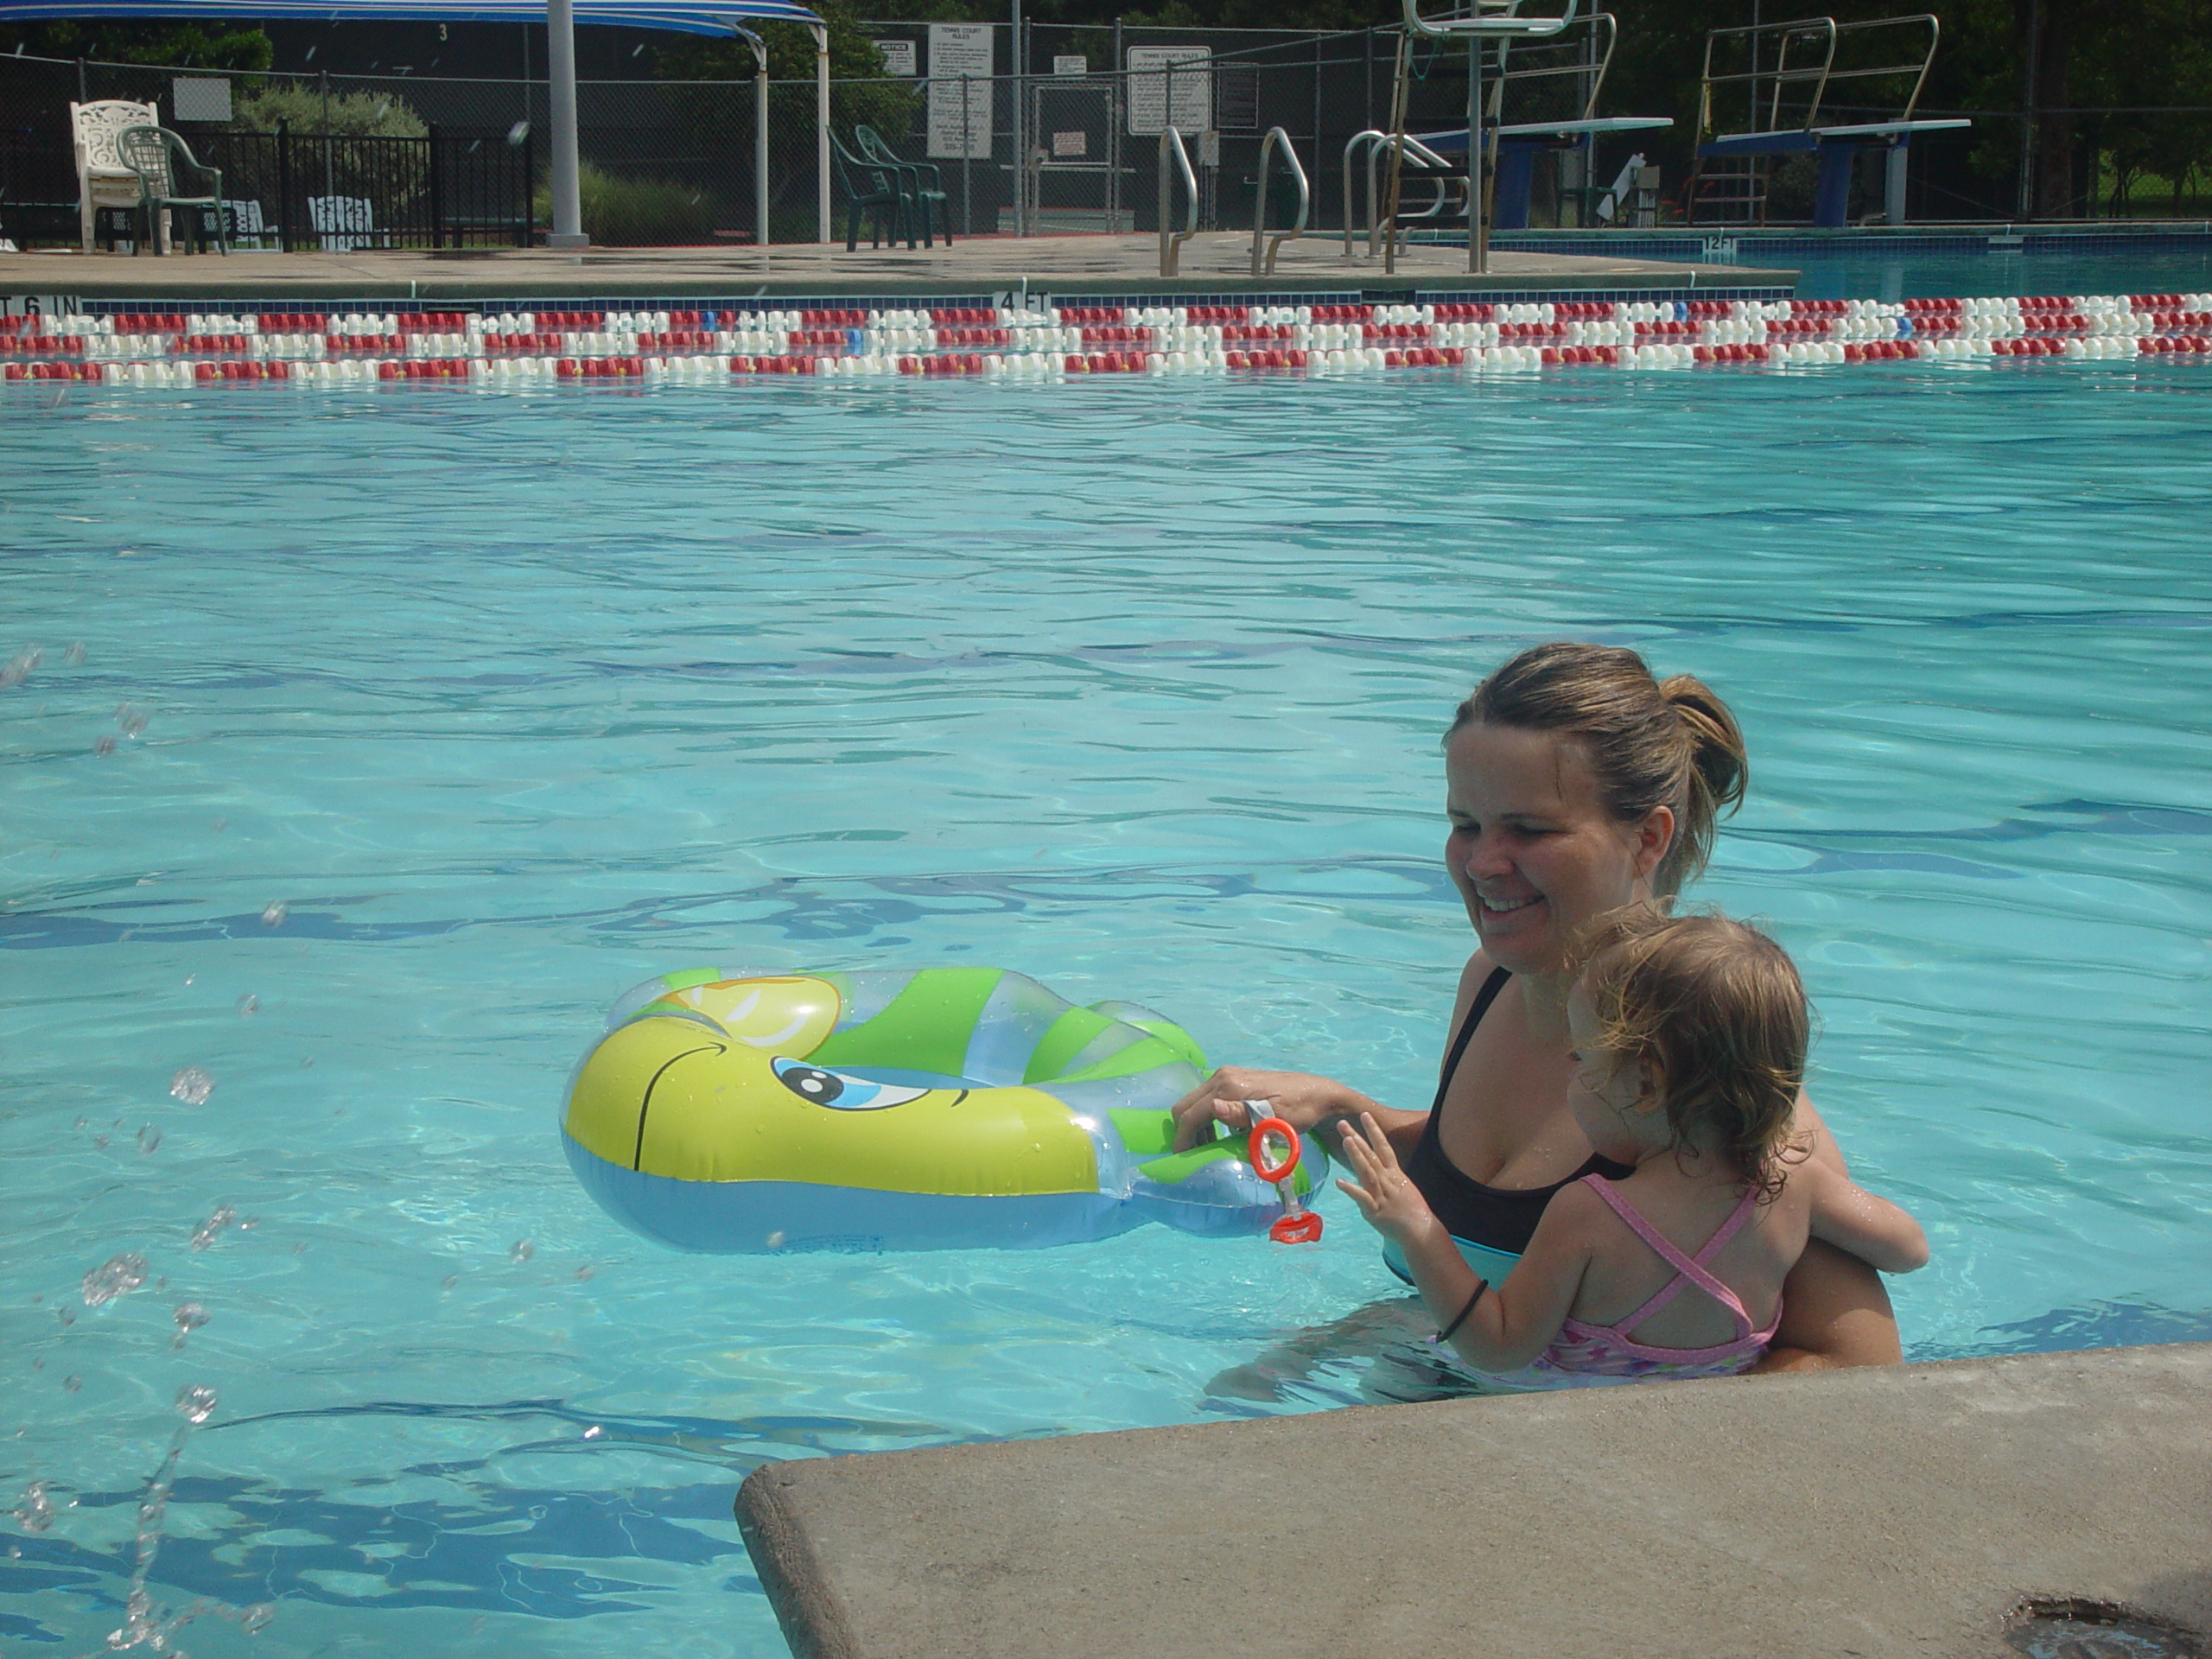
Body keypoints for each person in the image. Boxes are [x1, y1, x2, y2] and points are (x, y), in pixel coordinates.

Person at [1172, 640, 1906, 1374]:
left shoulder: (1716, 1096)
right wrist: (1333, 1111)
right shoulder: (1493, 980)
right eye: (1466, 824)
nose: (1483, 862)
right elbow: (1483, 1198)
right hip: (1423, 1380)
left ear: (1648, 838)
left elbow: (1857, 1368)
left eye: (1528, 830)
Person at [1333, 906, 1928, 1386]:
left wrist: (1417, 1227)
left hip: (1559, 1425)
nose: (1572, 1080)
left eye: (1582, 1060)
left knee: (1372, 1339)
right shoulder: (1798, 1184)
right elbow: (1909, 1250)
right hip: (1705, 1427)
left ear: (1643, 1084)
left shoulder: (1587, 1213)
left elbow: (1498, 1346)